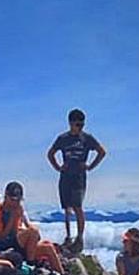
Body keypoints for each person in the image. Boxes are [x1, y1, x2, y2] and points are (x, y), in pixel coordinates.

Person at [47, 108, 106, 253]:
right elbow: (50, 154)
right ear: (70, 123)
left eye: (82, 125)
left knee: (77, 207)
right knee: (66, 207)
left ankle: (79, 238)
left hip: (79, 177)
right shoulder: (63, 139)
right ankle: (68, 237)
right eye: (78, 125)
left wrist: (90, 166)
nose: (80, 128)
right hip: (65, 176)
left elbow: (102, 152)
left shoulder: (87, 138)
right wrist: (58, 167)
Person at [0, 181, 64, 274]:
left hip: (18, 244)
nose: (15, 203)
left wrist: (33, 236)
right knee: (33, 231)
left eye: (18, 200)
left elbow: (27, 225)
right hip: (4, 247)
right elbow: (2, 237)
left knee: (48, 247)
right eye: (12, 200)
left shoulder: (19, 208)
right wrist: (12, 218)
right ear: (6, 196)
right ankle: (31, 264)